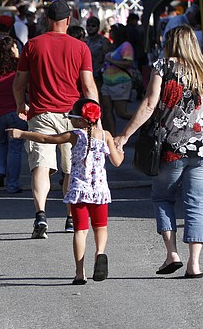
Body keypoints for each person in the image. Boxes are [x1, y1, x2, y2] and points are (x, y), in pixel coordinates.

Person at [114, 25, 203, 278]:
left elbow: (150, 103)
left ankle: (172, 254)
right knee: (196, 204)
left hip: (169, 148)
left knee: (163, 198)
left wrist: (125, 135)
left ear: (170, 42)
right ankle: (194, 264)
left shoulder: (163, 66)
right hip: (201, 149)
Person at [9, 98, 123, 284]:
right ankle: (100, 253)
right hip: (100, 191)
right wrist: (121, 150)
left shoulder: (74, 135)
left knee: (80, 231)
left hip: (78, 191)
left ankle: (80, 272)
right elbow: (117, 162)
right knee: (100, 228)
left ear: (79, 120)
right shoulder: (106, 136)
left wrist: (22, 133)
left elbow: (47, 139)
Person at [14, 0, 98, 239]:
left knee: (40, 167)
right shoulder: (80, 48)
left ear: (46, 20)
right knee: (71, 168)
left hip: (40, 113)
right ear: (69, 20)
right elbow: (88, 86)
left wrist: (21, 104)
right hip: (73, 117)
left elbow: (19, 83)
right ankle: (71, 217)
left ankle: (40, 214)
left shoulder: (32, 45)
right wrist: (95, 116)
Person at [0, 37, 26, 194]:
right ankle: (12, 184)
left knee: (1, 143)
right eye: (15, 47)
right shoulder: (19, 68)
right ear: (11, 50)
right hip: (16, 111)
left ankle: (0, 171)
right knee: (15, 149)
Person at [100, 24, 134, 133]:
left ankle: (146, 121)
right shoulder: (114, 45)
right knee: (106, 110)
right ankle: (111, 136)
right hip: (107, 83)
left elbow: (128, 62)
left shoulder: (126, 45)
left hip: (120, 83)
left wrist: (111, 61)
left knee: (121, 113)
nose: (110, 33)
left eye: (112, 31)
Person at [85, 16, 110, 88]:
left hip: (99, 74)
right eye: (88, 25)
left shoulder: (103, 41)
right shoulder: (83, 40)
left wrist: (101, 70)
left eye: (93, 26)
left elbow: (107, 58)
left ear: (98, 27)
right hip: (86, 72)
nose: (90, 28)